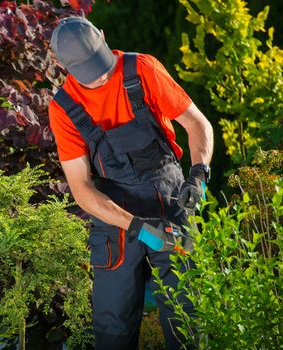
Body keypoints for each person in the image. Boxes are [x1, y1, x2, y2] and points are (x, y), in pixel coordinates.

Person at [48, 17, 214, 349]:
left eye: (99, 63)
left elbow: (198, 125)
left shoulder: (142, 70)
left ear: (105, 38)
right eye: (86, 71)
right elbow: (81, 189)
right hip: (117, 221)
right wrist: (137, 227)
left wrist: (198, 175)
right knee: (114, 328)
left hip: (170, 203)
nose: (99, 76)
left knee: (188, 319)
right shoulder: (63, 109)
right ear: (58, 64)